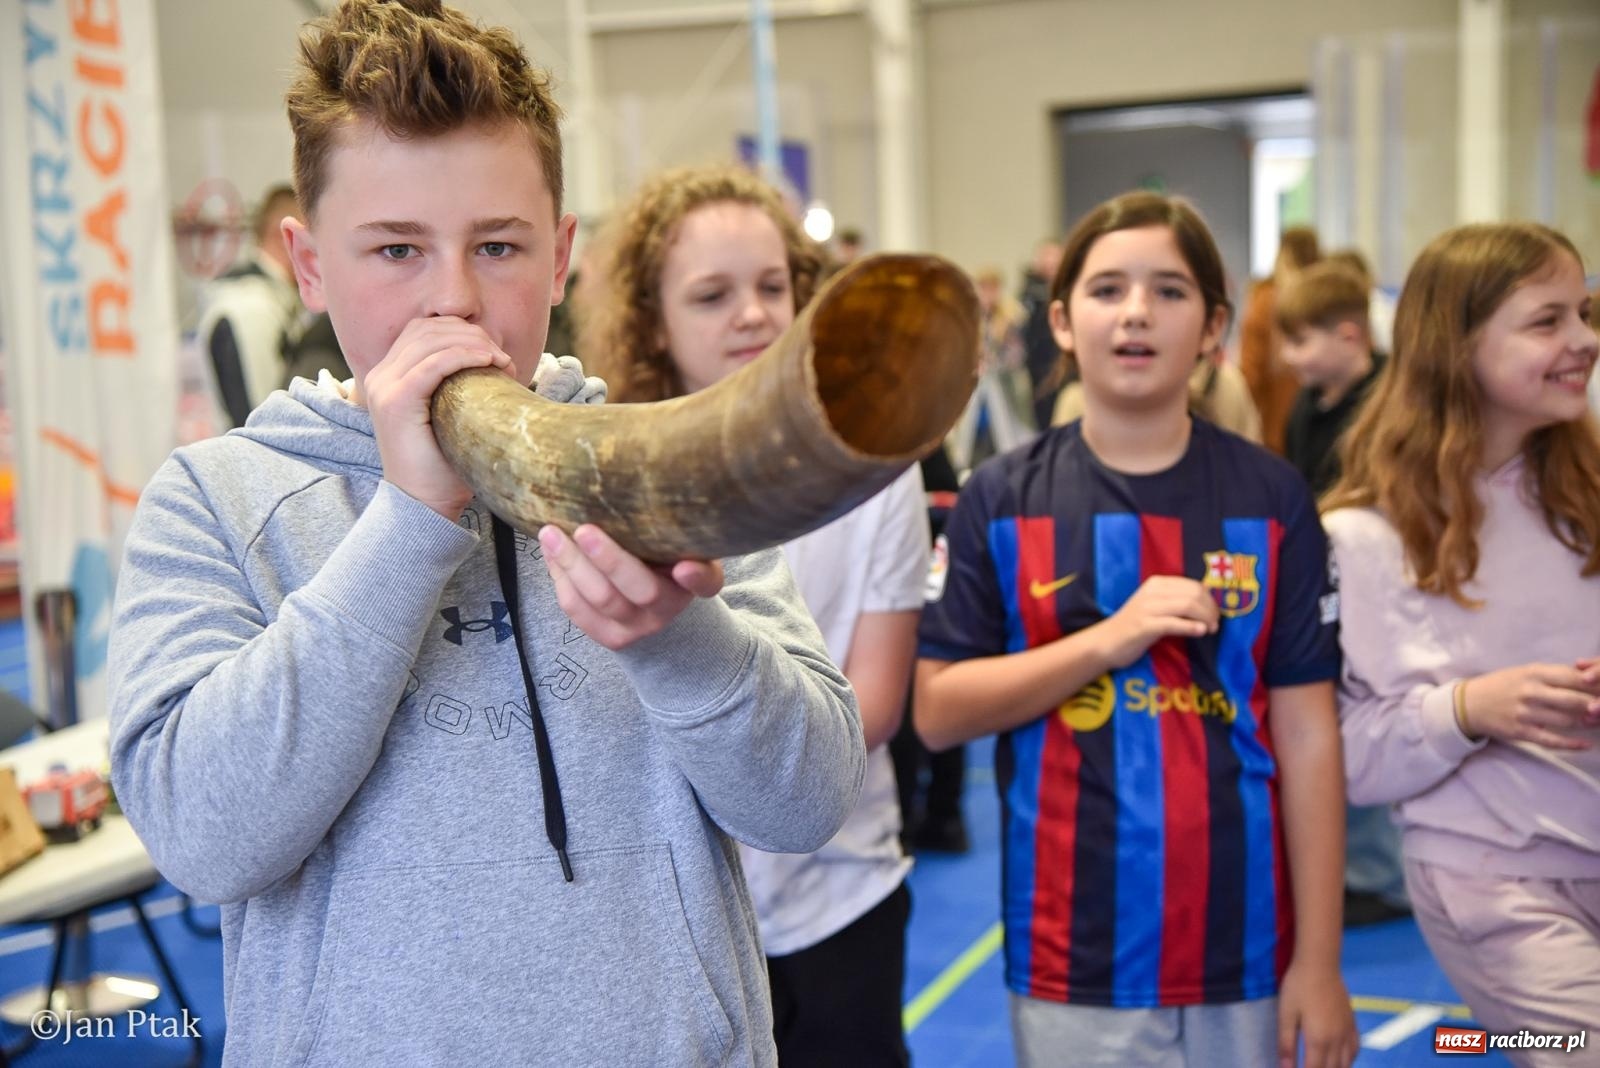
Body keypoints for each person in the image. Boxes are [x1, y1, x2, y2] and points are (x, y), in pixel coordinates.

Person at [106, 4, 865, 1065]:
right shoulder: (214, 500)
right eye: (396, 250)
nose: (454, 300)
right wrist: (406, 527)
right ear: (309, 265)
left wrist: (674, 638)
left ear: (560, 259)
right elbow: (201, 839)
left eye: (498, 246)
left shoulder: (649, 470)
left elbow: (809, 803)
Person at [915, 191, 1357, 1068]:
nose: (1137, 313)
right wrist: (1109, 640)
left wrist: (1320, 959)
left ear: (1214, 327)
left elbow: (1310, 736)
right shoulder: (999, 499)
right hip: (1071, 950)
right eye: (1108, 289)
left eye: (1170, 290)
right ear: (1062, 321)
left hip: (1249, 942)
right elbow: (936, 712)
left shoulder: (1273, 499)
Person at [582, 163, 924, 1068]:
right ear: (654, 320)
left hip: (840, 891)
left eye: (774, 287)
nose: (752, 314)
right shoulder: (610, 477)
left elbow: (878, 700)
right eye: (712, 295)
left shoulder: (879, 470)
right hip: (677, 907)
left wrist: (766, 757)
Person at [1323, 222, 1600, 1066]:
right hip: (1495, 885)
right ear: (1458, 347)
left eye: (1585, 313)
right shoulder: (1363, 538)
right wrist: (1469, 709)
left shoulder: (1584, 498)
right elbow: (1345, 757)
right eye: (1548, 320)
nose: (1584, 339)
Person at [1273, 261, 1404, 928]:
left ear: (1349, 335)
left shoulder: (1390, 401)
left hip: (1379, 589)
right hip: (1323, 581)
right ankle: (1350, 862)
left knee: (1372, 718)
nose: (1288, 358)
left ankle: (1382, 875)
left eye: (1301, 342)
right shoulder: (1308, 404)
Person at [196, 183, 306, 429]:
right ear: (285, 237)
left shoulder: (268, 303)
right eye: (312, 238)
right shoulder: (251, 309)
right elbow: (259, 424)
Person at [1241, 226, 1320, 455]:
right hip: (1319, 429)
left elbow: (1250, 375)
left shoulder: (1265, 302)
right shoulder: (1326, 303)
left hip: (1274, 434)